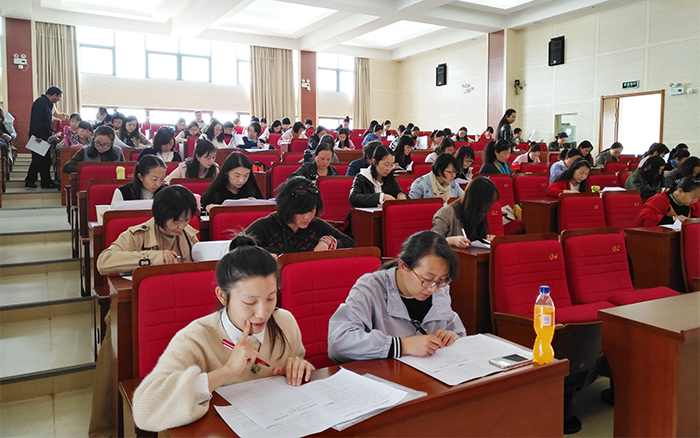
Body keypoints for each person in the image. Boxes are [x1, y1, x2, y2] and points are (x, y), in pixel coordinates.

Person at [132, 236, 313, 432]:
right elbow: (144, 412)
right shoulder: (195, 338)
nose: (263, 313)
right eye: (250, 302)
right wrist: (227, 370)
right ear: (222, 296)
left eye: (271, 298)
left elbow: (300, 368)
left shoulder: (284, 321)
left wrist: (300, 368)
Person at [90, 185, 199, 437]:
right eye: (176, 220)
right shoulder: (136, 234)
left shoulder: (189, 235)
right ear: (161, 214)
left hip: (177, 310)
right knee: (113, 368)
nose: (181, 225)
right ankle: (107, 429)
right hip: (135, 313)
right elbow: (104, 262)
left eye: (186, 219)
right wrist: (152, 258)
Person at [328, 230, 466, 363]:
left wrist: (450, 337)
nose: (434, 289)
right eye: (427, 279)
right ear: (403, 267)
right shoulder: (370, 288)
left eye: (441, 280)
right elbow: (339, 342)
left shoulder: (440, 289)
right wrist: (403, 345)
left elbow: (458, 332)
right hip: (384, 373)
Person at [245, 177, 354, 254]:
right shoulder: (264, 226)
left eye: (311, 211)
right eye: (301, 212)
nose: (307, 217)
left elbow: (349, 242)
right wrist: (263, 257)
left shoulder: (315, 224)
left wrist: (328, 242)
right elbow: (239, 248)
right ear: (288, 208)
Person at [432, 177, 499, 248]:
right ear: (478, 202)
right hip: (453, 254)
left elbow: (479, 238)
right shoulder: (446, 213)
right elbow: (432, 242)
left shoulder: (479, 213)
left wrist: (488, 240)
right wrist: (452, 241)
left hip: (475, 254)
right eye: (489, 203)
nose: (491, 207)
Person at [25, 86, 68, 188]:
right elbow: (37, 120)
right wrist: (38, 135)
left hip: (44, 136)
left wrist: (51, 132)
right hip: (39, 137)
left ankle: (46, 182)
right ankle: (30, 180)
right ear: (54, 95)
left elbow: (47, 121)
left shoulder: (46, 104)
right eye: (59, 97)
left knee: (45, 160)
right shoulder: (40, 103)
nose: (59, 99)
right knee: (38, 160)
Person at [630, 178, 700, 227]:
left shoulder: (694, 205)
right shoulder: (660, 199)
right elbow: (644, 217)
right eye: (693, 197)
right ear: (680, 191)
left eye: (698, 197)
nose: (695, 200)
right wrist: (672, 218)